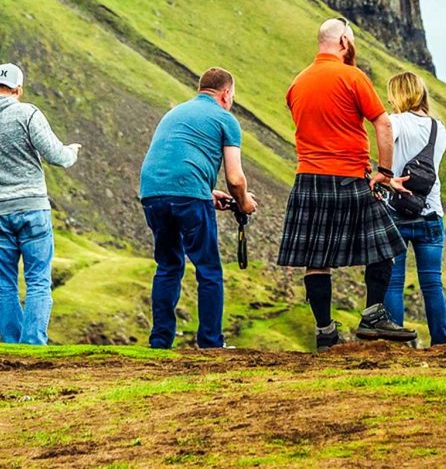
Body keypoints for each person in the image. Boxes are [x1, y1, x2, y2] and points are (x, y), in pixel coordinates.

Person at [277, 18, 416, 351]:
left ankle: (325, 331)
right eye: (351, 41)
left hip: (308, 178)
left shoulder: (297, 84)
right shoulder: (353, 77)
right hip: (349, 176)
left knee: (316, 258)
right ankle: (372, 315)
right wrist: (384, 170)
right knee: (386, 245)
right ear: (343, 42)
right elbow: (382, 123)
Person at [138, 67, 258, 349]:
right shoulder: (225, 119)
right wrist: (244, 203)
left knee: (168, 265)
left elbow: (176, 157)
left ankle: (160, 341)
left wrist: (206, 192)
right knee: (208, 270)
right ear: (226, 93)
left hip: (153, 194)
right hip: (189, 195)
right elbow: (235, 178)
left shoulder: (176, 112)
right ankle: (210, 342)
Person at [0, 62, 79, 346]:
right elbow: (56, 156)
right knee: (38, 279)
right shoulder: (26, 113)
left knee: (4, 285)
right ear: (18, 89)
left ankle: (13, 347)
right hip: (31, 207)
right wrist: (72, 152)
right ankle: (34, 344)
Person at [381, 71, 446, 346]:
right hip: (430, 211)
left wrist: (385, 174)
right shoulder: (438, 127)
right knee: (433, 284)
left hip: (396, 212)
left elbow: (386, 138)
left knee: (393, 283)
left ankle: (397, 346)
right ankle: (441, 344)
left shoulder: (394, 122)